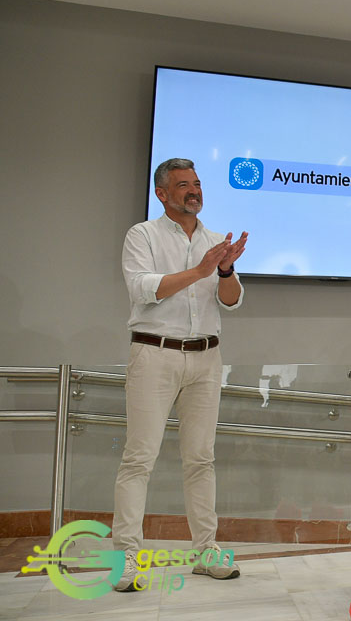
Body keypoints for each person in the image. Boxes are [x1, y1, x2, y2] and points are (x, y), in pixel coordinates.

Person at [114, 158, 247, 591]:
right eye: (183, 185)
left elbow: (231, 301)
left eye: (197, 183)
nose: (194, 191)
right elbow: (142, 289)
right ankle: (126, 558)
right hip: (155, 354)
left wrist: (224, 271)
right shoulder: (142, 235)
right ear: (162, 193)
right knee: (139, 458)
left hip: (206, 357)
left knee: (201, 459)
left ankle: (206, 551)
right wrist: (200, 271)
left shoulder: (214, 241)